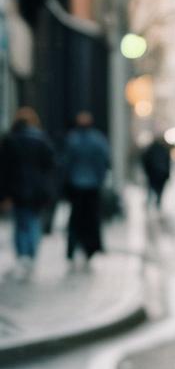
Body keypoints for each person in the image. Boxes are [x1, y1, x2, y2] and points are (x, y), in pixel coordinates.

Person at [0, 106, 56, 280]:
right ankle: (30, 254)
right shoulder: (41, 140)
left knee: (21, 222)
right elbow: (51, 165)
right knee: (33, 221)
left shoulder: (11, 140)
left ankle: (23, 254)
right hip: (37, 190)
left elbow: (4, 169)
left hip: (17, 188)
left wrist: (4, 194)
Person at [62, 110, 111, 269]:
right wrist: (100, 179)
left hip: (76, 185)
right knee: (91, 219)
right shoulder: (98, 140)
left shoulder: (73, 139)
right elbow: (104, 162)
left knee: (75, 219)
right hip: (92, 186)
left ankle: (72, 248)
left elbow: (66, 163)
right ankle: (90, 248)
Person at [140, 133, 172, 210]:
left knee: (151, 190)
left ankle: (149, 206)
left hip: (153, 175)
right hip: (162, 175)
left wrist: (147, 172)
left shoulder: (151, 149)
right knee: (159, 192)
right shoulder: (165, 149)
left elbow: (145, 160)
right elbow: (168, 163)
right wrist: (167, 174)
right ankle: (157, 206)